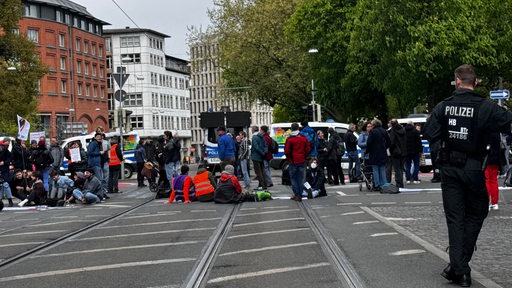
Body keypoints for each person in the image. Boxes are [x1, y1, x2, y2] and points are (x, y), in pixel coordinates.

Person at [424, 64, 512, 287]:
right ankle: (460, 267)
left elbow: (430, 133)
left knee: (455, 219)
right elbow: (508, 121)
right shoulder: (485, 107)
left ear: (457, 80)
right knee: (478, 212)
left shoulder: (443, 107)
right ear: (476, 82)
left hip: (449, 169)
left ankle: (459, 269)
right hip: (474, 167)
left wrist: (440, 156)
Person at [285, 123, 310, 201]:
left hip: (293, 161)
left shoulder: (290, 139)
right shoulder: (304, 138)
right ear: (298, 128)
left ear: (291, 129)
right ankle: (300, 193)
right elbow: (308, 149)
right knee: (301, 178)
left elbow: (287, 151)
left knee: (293, 178)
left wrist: (289, 159)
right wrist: (304, 156)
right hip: (302, 160)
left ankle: (297, 194)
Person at [366, 119, 391, 191]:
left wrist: (368, 151)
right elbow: (389, 141)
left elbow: (369, 142)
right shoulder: (384, 131)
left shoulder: (372, 132)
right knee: (382, 168)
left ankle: (377, 185)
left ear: (374, 125)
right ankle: (384, 184)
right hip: (382, 152)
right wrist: (385, 147)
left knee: (375, 169)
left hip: (374, 153)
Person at [485, 133, 503, 211]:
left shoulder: (486, 131)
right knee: (494, 181)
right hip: (495, 160)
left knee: (486, 181)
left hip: (486, 160)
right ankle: (495, 203)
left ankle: (486, 203)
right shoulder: (497, 133)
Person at [388, 119, 407, 188]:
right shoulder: (403, 130)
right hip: (403, 151)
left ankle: (399, 183)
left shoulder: (393, 131)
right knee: (401, 169)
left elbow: (392, 142)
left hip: (396, 152)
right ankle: (401, 183)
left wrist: (391, 150)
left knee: (397, 169)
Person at [250, 126, 268, 190]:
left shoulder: (254, 137)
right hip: (261, 156)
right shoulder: (261, 136)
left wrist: (261, 153)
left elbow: (256, 147)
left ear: (253, 130)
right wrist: (264, 152)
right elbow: (265, 145)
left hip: (256, 156)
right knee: (262, 171)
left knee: (258, 172)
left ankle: (262, 185)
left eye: (252, 129)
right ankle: (264, 184)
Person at [0, 138, 14, 207]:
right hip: (4, 168)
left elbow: (10, 158)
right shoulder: (5, 149)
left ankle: (9, 200)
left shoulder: (5, 149)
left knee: (5, 184)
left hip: (4, 169)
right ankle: (8, 200)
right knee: (4, 185)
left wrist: (4, 162)